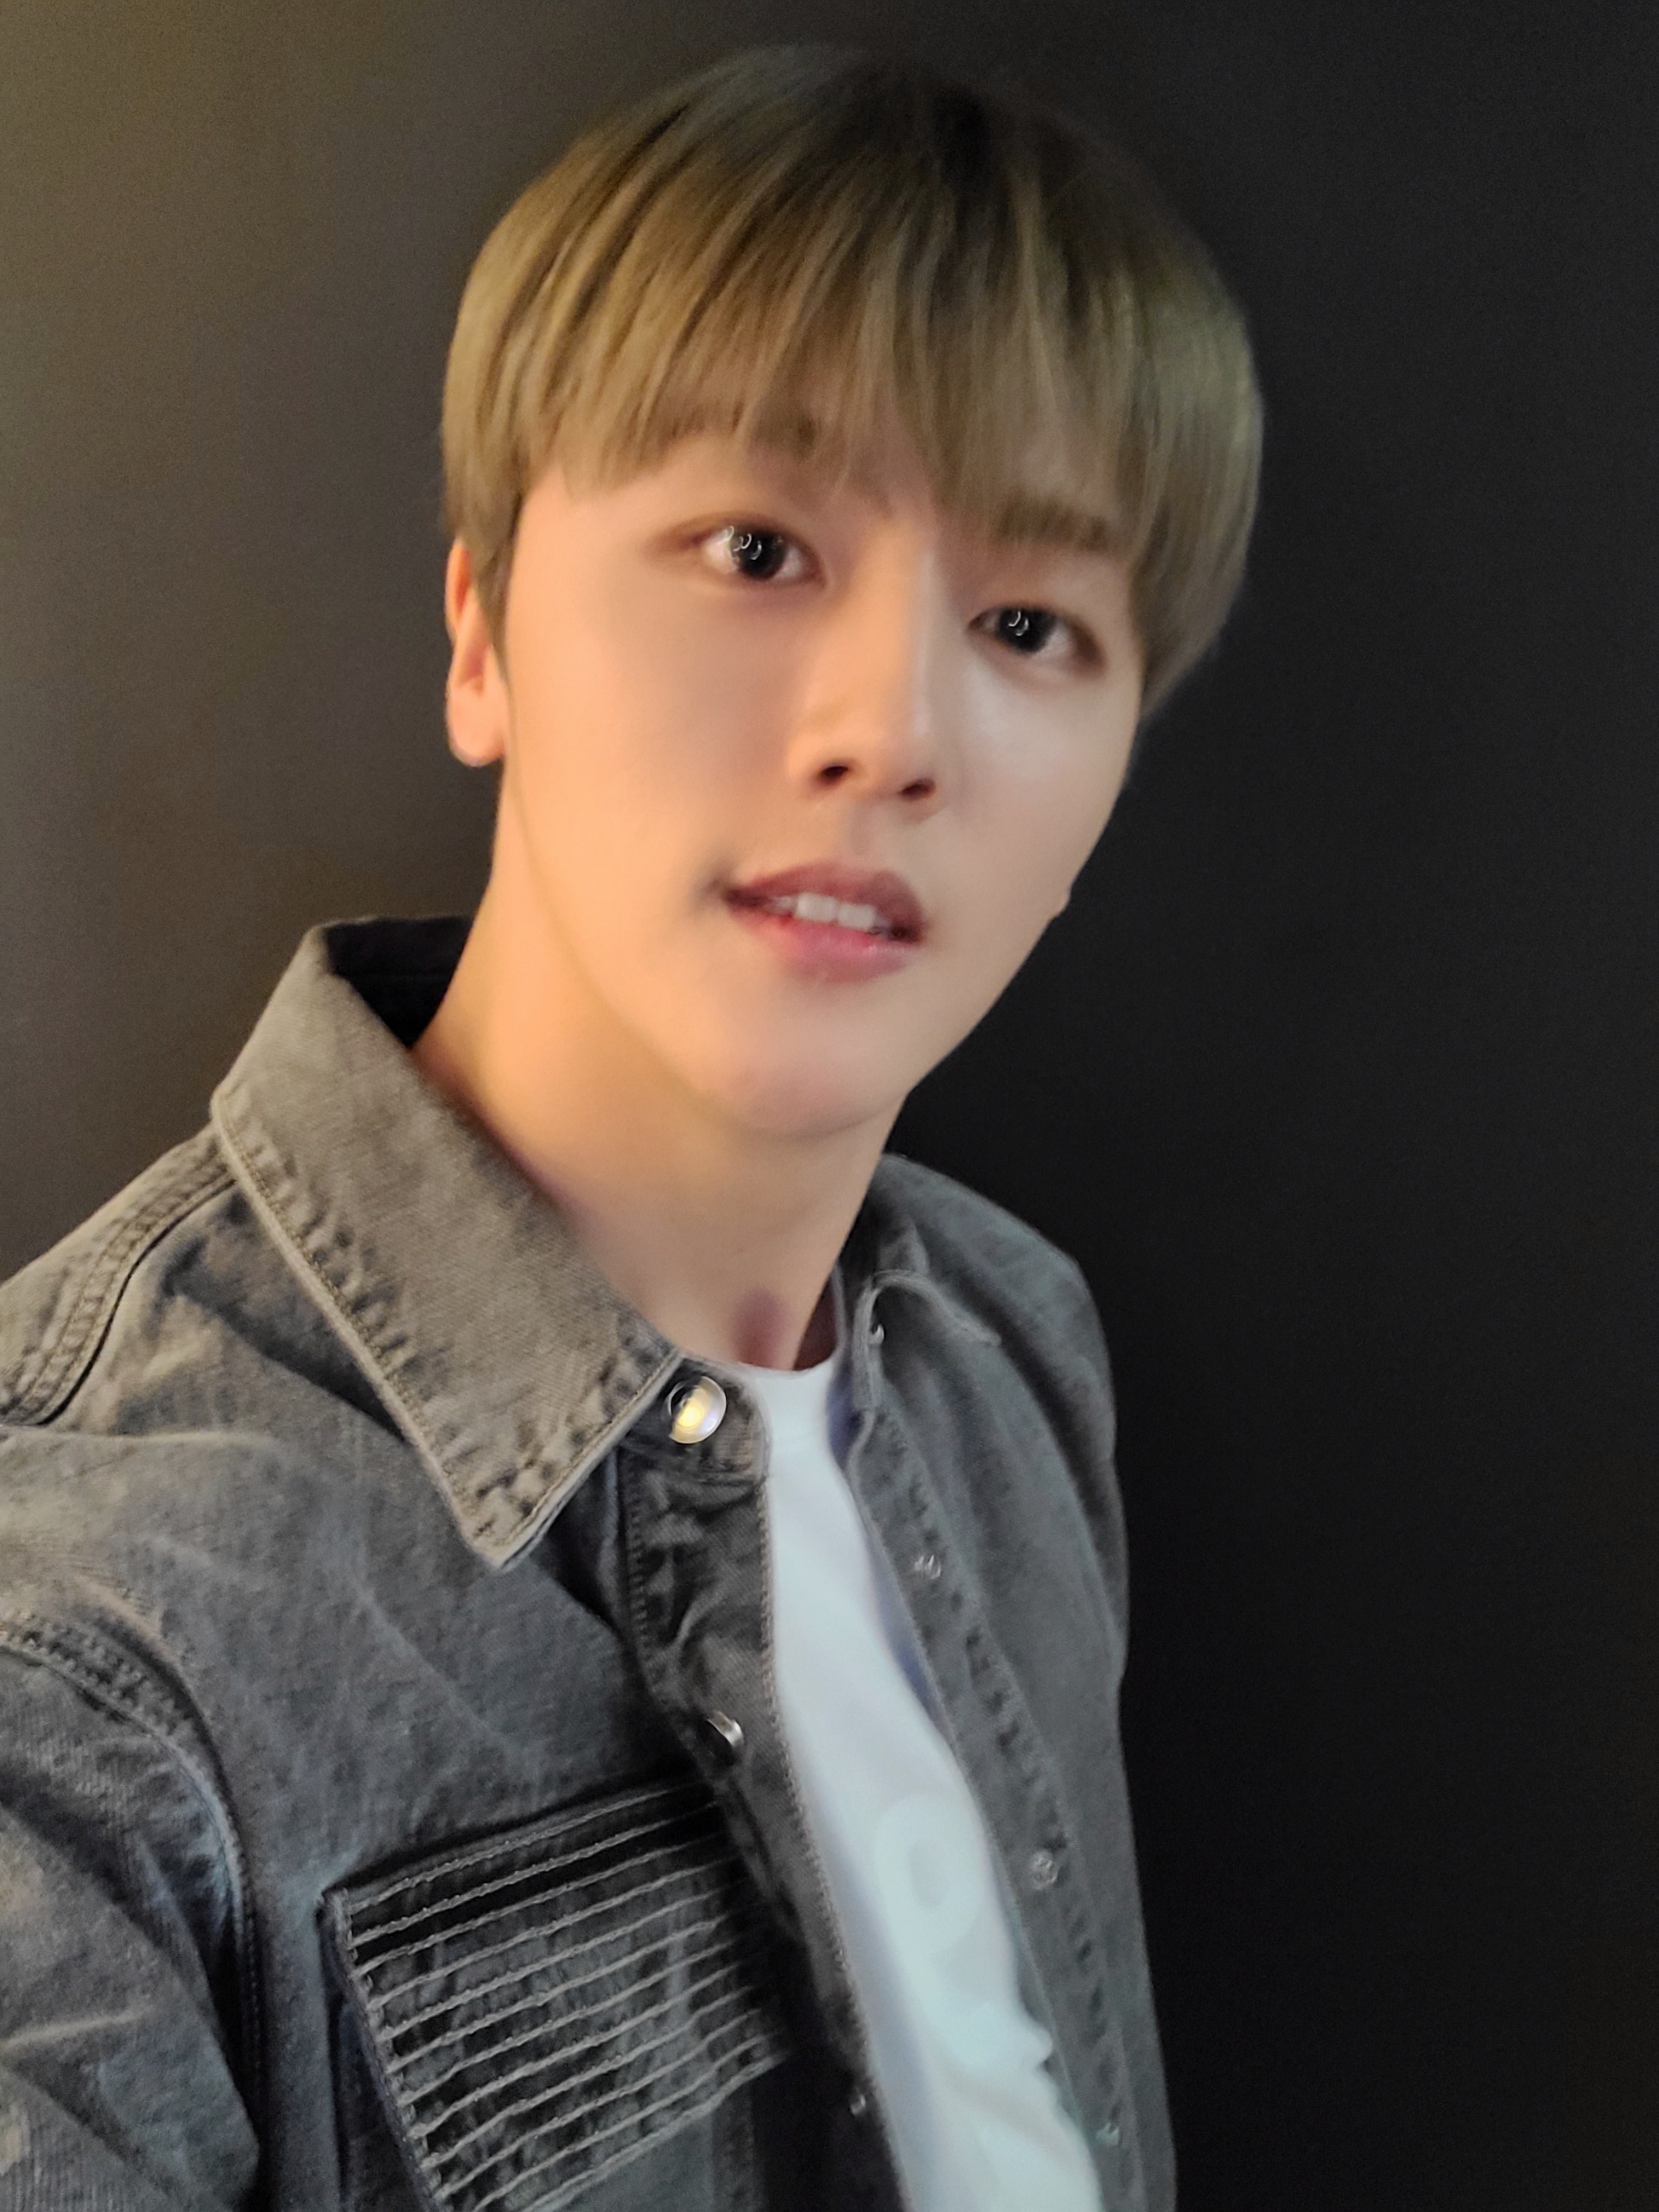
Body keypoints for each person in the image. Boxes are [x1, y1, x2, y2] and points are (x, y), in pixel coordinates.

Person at [0, 43, 1260, 2212]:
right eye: (758, 547)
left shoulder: (1010, 1348)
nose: (894, 728)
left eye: (1029, 624)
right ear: (481, 634)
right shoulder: (78, 1641)